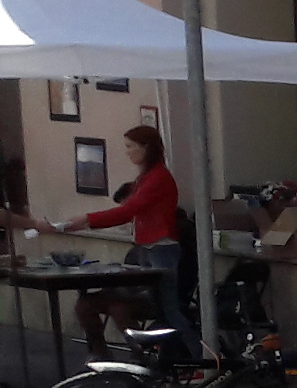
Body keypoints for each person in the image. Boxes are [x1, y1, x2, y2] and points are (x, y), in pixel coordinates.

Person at [28, 123, 187, 354]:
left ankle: (201, 356)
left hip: (161, 246)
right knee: (92, 304)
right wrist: (73, 224)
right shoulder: (145, 178)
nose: (127, 152)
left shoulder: (158, 178)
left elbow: (126, 211)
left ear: (146, 147)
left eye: (130, 146)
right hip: (147, 246)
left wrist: (83, 220)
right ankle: (105, 355)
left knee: (169, 310)